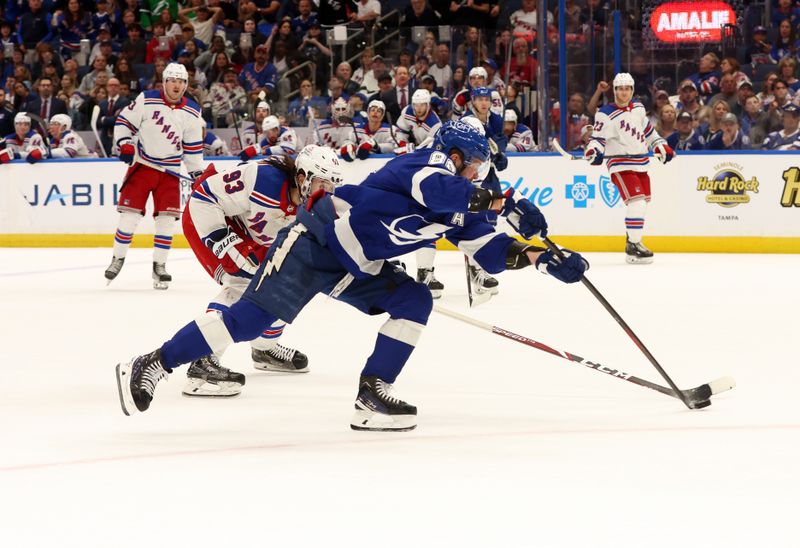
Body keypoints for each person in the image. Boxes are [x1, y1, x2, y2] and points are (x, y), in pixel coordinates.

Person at [114, 126, 588, 431]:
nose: (482, 172)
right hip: (315, 243)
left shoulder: (464, 202)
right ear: (458, 154)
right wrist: (500, 203)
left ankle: (373, 392)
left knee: (414, 300)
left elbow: (488, 252)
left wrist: (540, 257)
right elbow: (439, 191)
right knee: (250, 322)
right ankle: (152, 362)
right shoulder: (423, 165)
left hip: (358, 266)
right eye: (478, 162)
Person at [178, 157, 313, 396]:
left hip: (243, 229)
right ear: (302, 178)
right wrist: (224, 242)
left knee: (283, 278)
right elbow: (204, 199)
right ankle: (203, 360)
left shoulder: (312, 204)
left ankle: (264, 348)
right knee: (242, 282)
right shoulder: (264, 179)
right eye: (323, 183)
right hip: (208, 218)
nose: (327, 191)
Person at [104, 63, 205, 289]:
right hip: (143, 166)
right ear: (165, 81)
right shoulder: (146, 99)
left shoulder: (193, 111)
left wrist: (197, 173)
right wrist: (125, 144)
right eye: (173, 80)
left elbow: (193, 149)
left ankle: (159, 267)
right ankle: (117, 258)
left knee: (166, 222)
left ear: (186, 85)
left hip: (170, 173)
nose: (177, 85)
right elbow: (123, 123)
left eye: (181, 81)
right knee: (129, 217)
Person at [584, 73, 675, 264]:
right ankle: (634, 244)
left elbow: (648, 132)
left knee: (641, 205)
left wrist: (659, 145)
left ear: (632, 90)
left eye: (627, 88)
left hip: (641, 163)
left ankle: (631, 244)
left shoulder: (639, 108)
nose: (623, 92)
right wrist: (593, 151)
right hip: (620, 164)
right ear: (614, 91)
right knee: (637, 203)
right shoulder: (605, 113)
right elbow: (598, 139)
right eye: (619, 89)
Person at [460, 87, 509, 294]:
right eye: (479, 99)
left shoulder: (496, 120)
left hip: (487, 174)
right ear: (473, 101)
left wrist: (499, 154)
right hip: (470, 172)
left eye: (486, 99)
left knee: (490, 219)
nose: (483, 103)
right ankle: (476, 269)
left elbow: (501, 143)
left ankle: (479, 267)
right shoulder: (467, 120)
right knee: (474, 221)